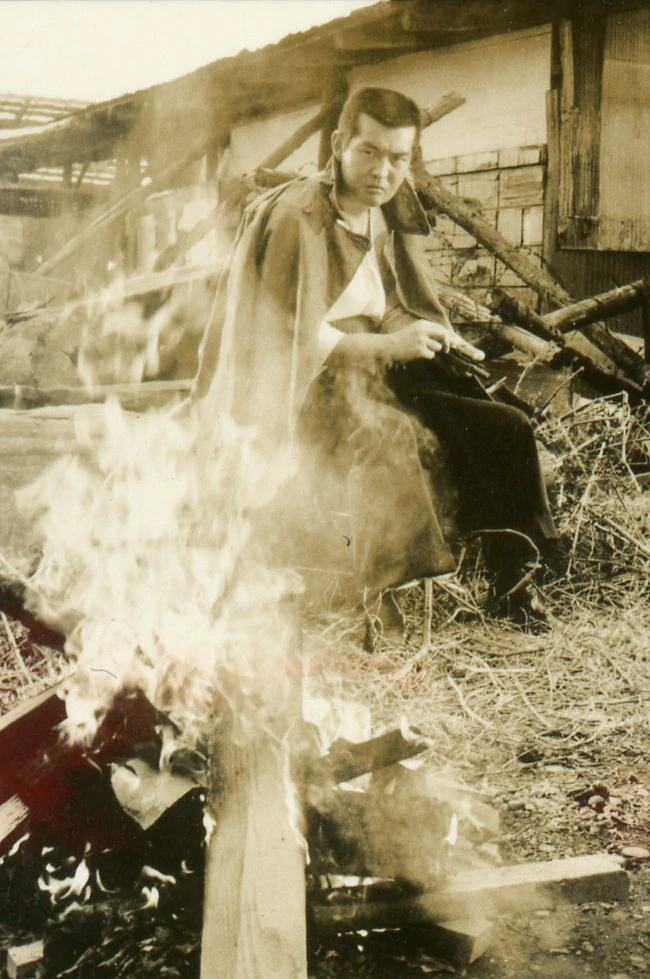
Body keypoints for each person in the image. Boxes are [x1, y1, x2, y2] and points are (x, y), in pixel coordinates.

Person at [193, 87, 558, 629]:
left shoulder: (383, 214)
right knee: (393, 435)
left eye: (398, 158)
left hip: (376, 372)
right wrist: (386, 346)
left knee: (505, 425)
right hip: (303, 390)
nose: (383, 172)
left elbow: (383, 304)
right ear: (339, 145)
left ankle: (514, 583)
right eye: (369, 152)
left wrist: (424, 333)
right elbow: (280, 335)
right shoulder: (297, 217)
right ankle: (380, 599)